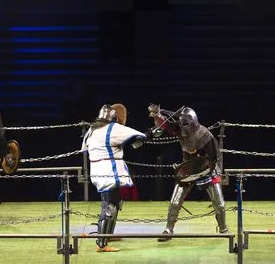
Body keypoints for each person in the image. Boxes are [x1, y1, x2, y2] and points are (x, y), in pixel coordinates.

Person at [150, 105, 228, 241]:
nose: (183, 127)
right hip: (188, 168)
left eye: (186, 124)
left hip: (207, 167)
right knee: (175, 201)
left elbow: (215, 156)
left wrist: (208, 170)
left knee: (219, 203)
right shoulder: (180, 130)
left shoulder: (204, 135)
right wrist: (158, 115)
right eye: (182, 124)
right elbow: (165, 125)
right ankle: (168, 229)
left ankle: (223, 228)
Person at [81, 103, 150, 253]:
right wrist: (150, 133)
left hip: (98, 170)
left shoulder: (91, 131)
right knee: (110, 205)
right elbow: (138, 137)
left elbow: (85, 148)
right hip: (109, 172)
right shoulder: (112, 128)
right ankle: (101, 244)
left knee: (114, 202)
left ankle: (107, 235)